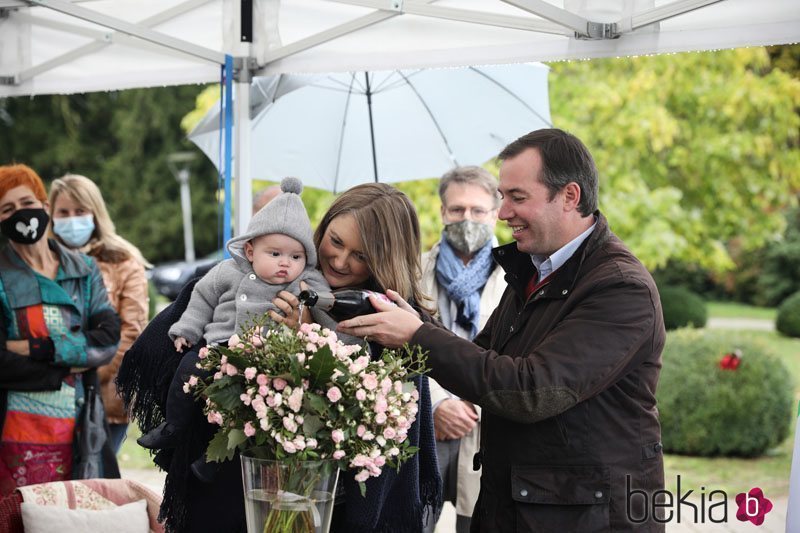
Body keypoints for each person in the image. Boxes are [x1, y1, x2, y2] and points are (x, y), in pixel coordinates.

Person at [339, 129, 667, 531]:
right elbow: (482, 353)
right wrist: (412, 320)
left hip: (585, 516)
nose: (503, 212)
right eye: (503, 197)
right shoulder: (536, 269)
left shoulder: (619, 287)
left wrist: (415, 335)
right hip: (523, 505)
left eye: (517, 197)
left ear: (569, 196)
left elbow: (532, 390)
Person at [271, 182, 442, 533]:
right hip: (272, 487)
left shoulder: (397, 324)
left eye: (361, 255)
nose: (340, 260)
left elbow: (354, 411)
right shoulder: (281, 275)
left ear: (385, 260)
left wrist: (307, 336)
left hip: (354, 505)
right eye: (335, 241)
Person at [136, 178, 328, 475]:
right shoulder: (227, 271)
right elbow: (201, 298)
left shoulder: (301, 280)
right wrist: (187, 329)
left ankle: (212, 462)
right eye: (275, 254)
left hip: (263, 357)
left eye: (296, 256)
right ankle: (173, 425)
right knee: (188, 371)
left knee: (246, 410)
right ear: (250, 251)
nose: (285, 263)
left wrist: (315, 302)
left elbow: (324, 299)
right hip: (220, 344)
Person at [0, 164, 121, 496]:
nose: (20, 214)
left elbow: (108, 340)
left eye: (27, 203)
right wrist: (66, 367)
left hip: (82, 427)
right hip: (16, 433)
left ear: (44, 207)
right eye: (7, 209)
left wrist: (40, 348)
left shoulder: (83, 269)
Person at [420, 166, 506, 533]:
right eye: (457, 210)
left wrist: (471, 402)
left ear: (496, 214)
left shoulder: (518, 276)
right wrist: (438, 403)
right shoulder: (414, 270)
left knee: (478, 524)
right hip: (427, 421)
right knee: (414, 518)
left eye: (477, 210)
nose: (466, 219)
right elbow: (401, 344)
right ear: (442, 212)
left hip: (486, 425)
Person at [48, 174, 150, 454]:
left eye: (80, 211)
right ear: (51, 215)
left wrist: (85, 372)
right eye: (64, 212)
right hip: (47, 394)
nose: (72, 219)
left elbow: (132, 333)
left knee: (95, 485)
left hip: (104, 399)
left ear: (95, 212)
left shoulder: (122, 261)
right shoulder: (41, 260)